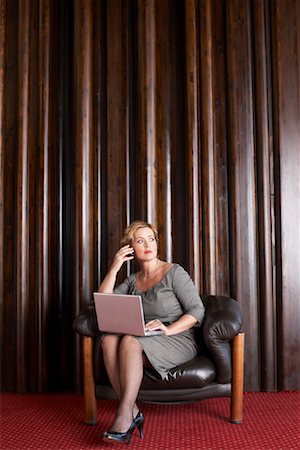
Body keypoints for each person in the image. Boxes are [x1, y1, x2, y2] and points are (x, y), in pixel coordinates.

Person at [98, 220, 205, 445]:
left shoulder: (174, 272)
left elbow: (197, 310)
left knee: (129, 341)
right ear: (130, 248)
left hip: (177, 337)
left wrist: (168, 329)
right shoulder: (132, 280)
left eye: (151, 239)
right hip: (145, 336)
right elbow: (104, 302)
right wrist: (115, 267)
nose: (148, 244)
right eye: (140, 240)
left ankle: (124, 414)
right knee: (108, 339)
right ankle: (132, 410)